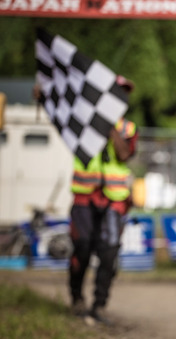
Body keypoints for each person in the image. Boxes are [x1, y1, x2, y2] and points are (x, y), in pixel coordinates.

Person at [67, 75, 138, 324]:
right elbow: (61, 110)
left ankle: (99, 305)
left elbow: (124, 154)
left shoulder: (128, 128)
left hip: (114, 200)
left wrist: (109, 128)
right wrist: (43, 96)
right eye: (117, 92)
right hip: (85, 197)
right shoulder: (83, 122)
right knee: (82, 247)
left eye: (125, 93)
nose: (122, 97)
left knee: (108, 254)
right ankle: (76, 298)